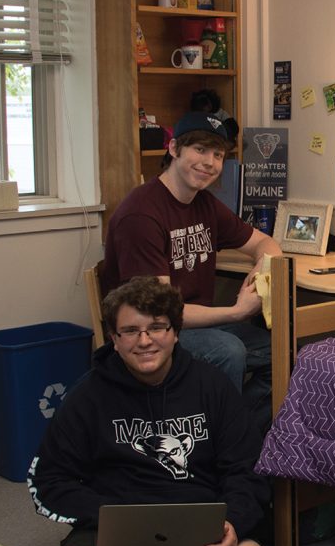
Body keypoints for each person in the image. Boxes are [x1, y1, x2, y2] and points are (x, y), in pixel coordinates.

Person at [27, 277, 271, 546]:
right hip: (113, 535)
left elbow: (246, 468)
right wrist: (107, 515)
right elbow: (50, 479)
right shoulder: (88, 395)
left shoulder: (211, 386)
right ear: (114, 338)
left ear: (174, 332)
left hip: (197, 536)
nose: (144, 341)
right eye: (130, 330)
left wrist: (232, 525)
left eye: (156, 327)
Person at [101, 112, 282, 432]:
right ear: (174, 149)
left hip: (196, 324)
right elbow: (158, 311)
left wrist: (259, 272)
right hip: (150, 329)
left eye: (218, 155)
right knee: (229, 351)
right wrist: (237, 312)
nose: (209, 162)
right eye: (200, 150)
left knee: (282, 349)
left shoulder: (205, 205)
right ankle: (216, 450)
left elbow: (266, 243)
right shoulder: (141, 214)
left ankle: (235, 435)